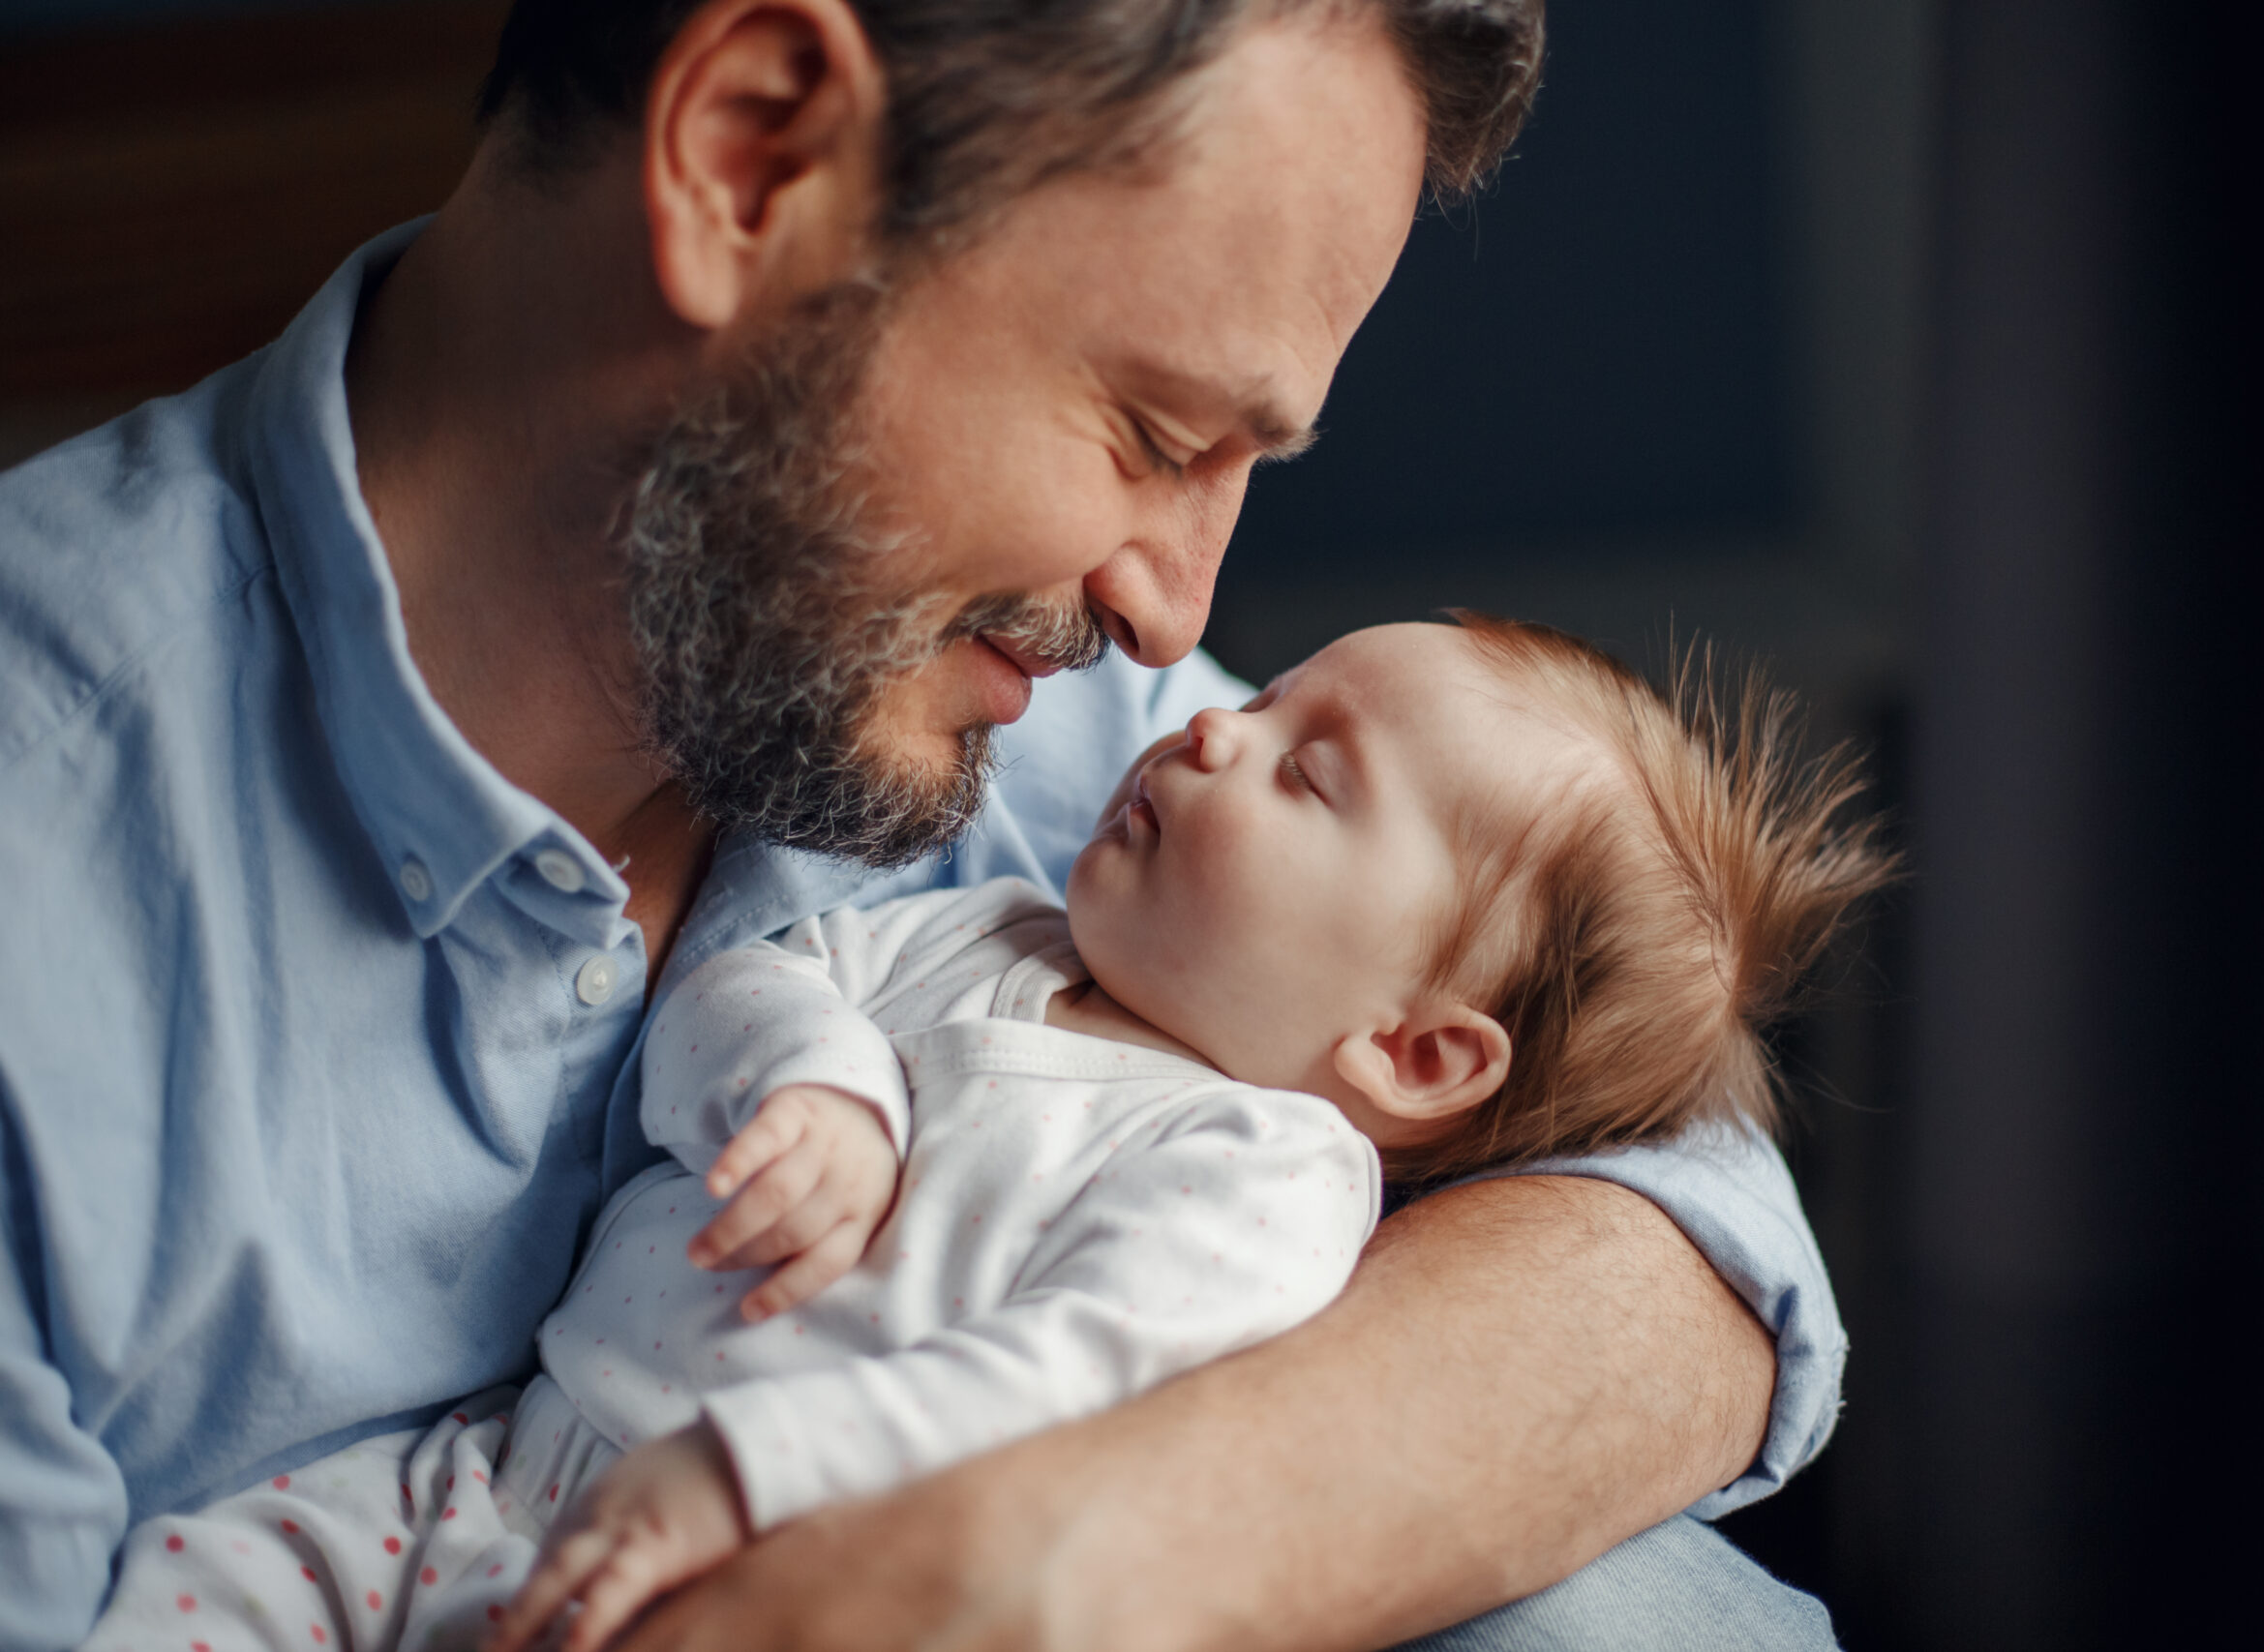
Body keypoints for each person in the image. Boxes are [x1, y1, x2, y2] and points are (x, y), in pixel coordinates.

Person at [0, 1, 1850, 1647]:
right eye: (1149, 431)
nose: (1176, 624)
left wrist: (1082, 1558)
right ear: (752, 159)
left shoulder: (1047, 725)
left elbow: (1676, 1198)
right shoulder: (49, 870)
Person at [76, 617, 1887, 1652]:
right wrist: (824, 1083)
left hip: (752, 1555)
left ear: (1413, 1052)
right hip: (486, 1465)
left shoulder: (1265, 1180)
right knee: (203, 1589)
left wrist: (749, 1478)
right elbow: (747, 988)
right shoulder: (995, 929)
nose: (1201, 733)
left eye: (1304, 772)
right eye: (1261, 709)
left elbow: (1054, 1381)